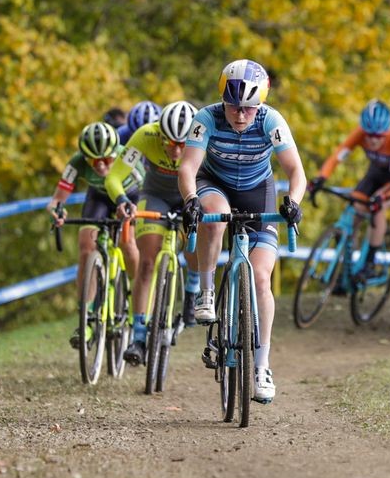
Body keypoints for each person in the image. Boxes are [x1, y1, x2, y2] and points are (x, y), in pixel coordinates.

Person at [177, 59, 306, 403]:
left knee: (261, 278)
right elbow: (188, 167)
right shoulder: (206, 118)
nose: (240, 115)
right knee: (214, 214)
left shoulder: (271, 121)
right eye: (234, 106)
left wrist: (293, 201)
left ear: (259, 104)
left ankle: (262, 366)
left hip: (257, 189)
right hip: (214, 184)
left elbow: (296, 172)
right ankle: (206, 292)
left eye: (249, 108)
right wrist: (190, 199)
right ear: (224, 101)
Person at [106, 101, 202, 365]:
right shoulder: (145, 135)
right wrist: (123, 199)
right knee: (146, 263)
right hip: (155, 195)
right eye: (170, 142)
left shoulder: (205, 135)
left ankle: (193, 291)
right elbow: (114, 177)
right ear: (159, 133)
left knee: (198, 235)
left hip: (190, 195)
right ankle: (138, 336)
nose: (177, 150)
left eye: (183, 144)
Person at [46, 121, 143, 348]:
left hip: (130, 195)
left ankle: (136, 292)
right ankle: (86, 317)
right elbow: (57, 198)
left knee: (127, 243)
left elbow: (147, 189)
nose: (100, 166)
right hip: (98, 197)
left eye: (107, 160)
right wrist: (56, 210)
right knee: (85, 247)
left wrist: (133, 212)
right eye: (93, 161)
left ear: (115, 154)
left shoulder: (128, 156)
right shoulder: (77, 161)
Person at [308, 99, 390, 280]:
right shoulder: (359, 134)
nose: (372, 140)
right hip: (376, 174)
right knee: (354, 208)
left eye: (378, 136)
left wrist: (381, 198)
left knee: (377, 207)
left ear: (387, 132)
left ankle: (371, 263)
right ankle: (347, 266)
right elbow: (337, 157)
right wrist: (320, 178)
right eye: (369, 135)